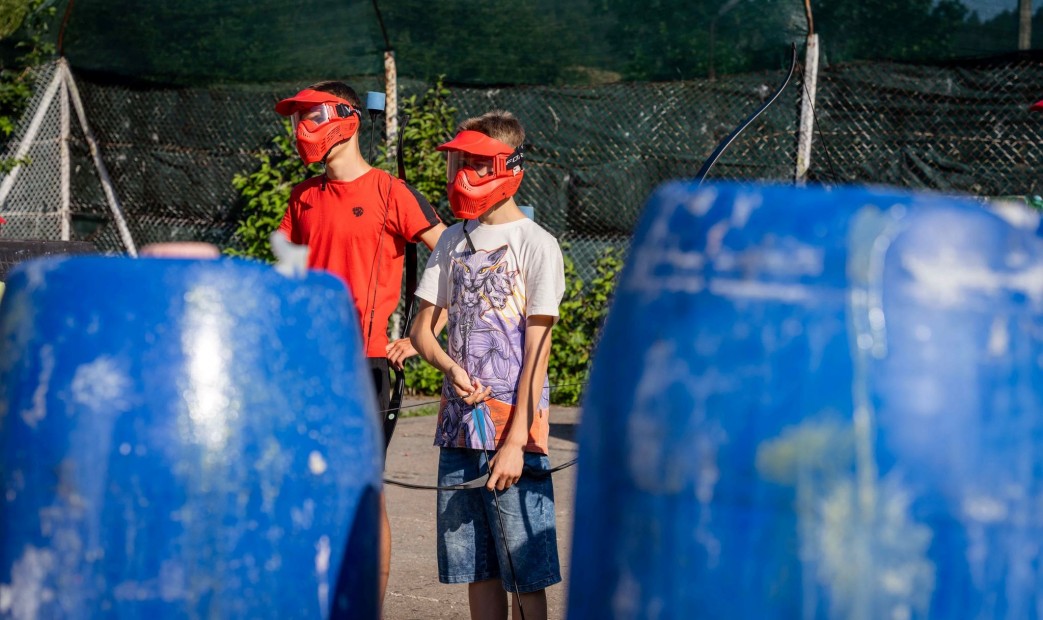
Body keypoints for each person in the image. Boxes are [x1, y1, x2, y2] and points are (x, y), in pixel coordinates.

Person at [272, 80, 445, 609]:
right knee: (309, 485)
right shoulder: (302, 198)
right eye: (296, 118)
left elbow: (454, 259)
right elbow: (286, 270)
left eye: (311, 115)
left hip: (367, 362)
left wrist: (423, 333)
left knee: (361, 492)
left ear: (346, 118)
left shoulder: (391, 192)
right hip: (310, 365)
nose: (301, 129)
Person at [410, 110, 565, 620]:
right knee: (476, 568)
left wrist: (516, 442)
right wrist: (450, 368)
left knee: (525, 572)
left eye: (475, 164)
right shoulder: (453, 240)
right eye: (459, 162)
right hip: (458, 432)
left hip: (514, 435)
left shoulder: (537, 245)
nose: (461, 176)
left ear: (509, 166)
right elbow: (421, 333)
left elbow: (537, 354)